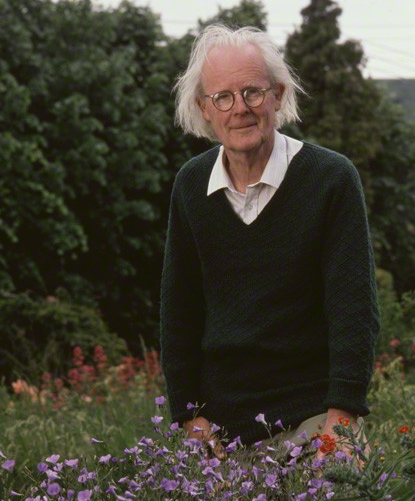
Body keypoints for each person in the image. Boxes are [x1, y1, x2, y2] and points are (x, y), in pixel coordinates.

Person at [161, 24, 380, 458]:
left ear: (278, 95)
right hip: (220, 430)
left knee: (344, 498)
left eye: (253, 93)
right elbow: (178, 311)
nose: (239, 108)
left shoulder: (331, 178)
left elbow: (354, 309)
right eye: (223, 97)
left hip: (316, 418)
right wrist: (189, 416)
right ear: (205, 109)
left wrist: (341, 421)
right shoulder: (190, 186)